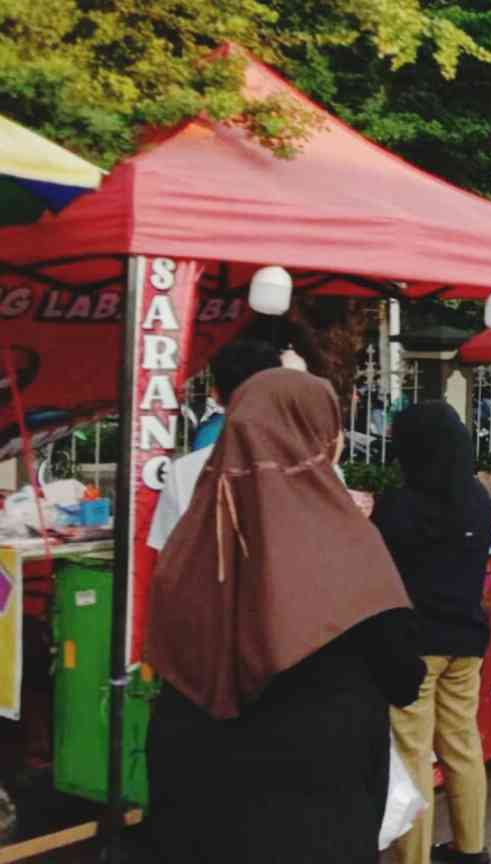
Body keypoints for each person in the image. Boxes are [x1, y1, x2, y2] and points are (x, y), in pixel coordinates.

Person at [146, 369, 425, 864]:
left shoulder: (187, 550)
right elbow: (403, 675)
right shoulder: (349, 545)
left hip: (199, 804)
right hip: (317, 806)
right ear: (319, 438)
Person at [371, 403, 491, 864]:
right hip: (466, 642)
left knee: (413, 754)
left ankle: (413, 858)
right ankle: (470, 848)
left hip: (415, 647)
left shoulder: (398, 506)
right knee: (462, 743)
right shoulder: (478, 499)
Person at [146, 339, 282, 551]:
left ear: (216, 394)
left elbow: (168, 556)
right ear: (279, 392)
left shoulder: (185, 472)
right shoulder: (320, 471)